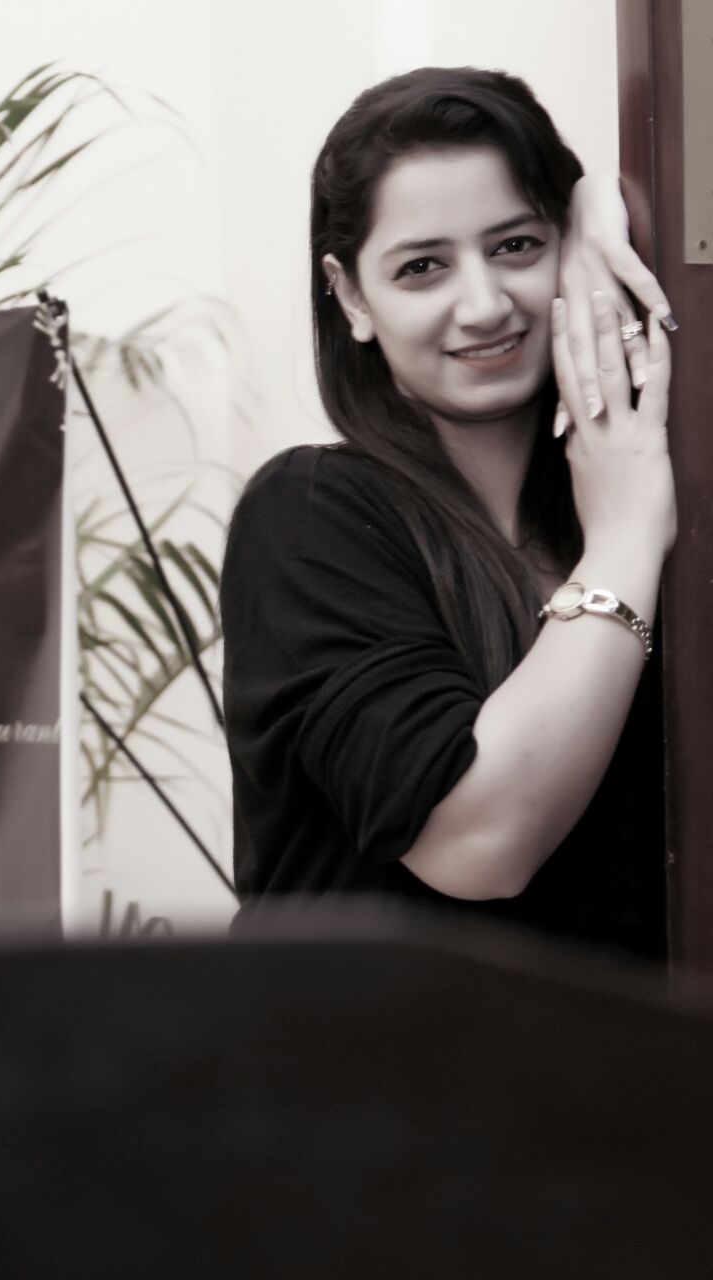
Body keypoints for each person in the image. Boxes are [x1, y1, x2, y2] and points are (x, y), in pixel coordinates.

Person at [220, 67, 677, 960]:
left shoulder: (653, 486)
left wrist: (598, 208)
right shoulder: (307, 515)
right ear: (352, 296)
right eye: (422, 266)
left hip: (631, 1047)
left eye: (515, 246)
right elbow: (479, 843)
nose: (483, 304)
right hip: (376, 1051)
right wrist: (624, 540)